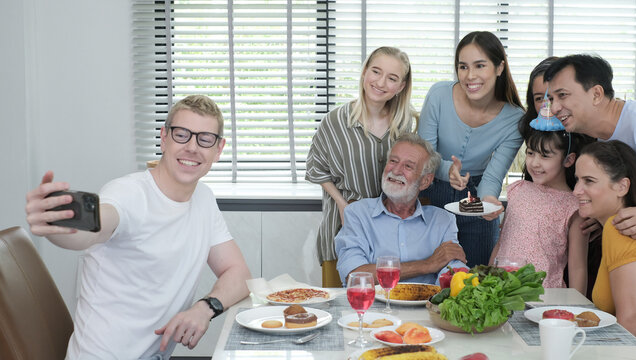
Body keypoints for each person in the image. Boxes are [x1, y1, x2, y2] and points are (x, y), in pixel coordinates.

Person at [25, 95, 252, 359]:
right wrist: (59, 224)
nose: (192, 147)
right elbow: (96, 226)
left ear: (219, 149)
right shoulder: (128, 193)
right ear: (164, 138)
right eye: (181, 135)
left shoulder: (203, 198)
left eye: (204, 139)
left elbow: (239, 274)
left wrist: (205, 307)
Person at [306, 46, 417, 287]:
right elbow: (316, 169)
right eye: (375, 71)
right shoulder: (334, 121)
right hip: (343, 226)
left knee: (387, 311)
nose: (380, 82)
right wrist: (342, 205)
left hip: (390, 233)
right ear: (364, 72)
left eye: (392, 78)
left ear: (401, 86)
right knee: (340, 308)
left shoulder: (407, 124)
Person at [417, 31, 524, 267]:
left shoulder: (515, 119)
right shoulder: (439, 95)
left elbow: (493, 175)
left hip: (476, 198)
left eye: (479, 66)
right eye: (463, 67)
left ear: (499, 68)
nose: (470, 75)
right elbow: (424, 155)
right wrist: (446, 171)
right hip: (430, 191)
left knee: (476, 280)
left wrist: (487, 201)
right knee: (429, 279)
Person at [489, 57, 590, 293]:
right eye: (531, 153)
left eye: (545, 156)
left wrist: (576, 309)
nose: (534, 163)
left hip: (545, 294)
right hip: (501, 291)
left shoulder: (574, 207)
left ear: (568, 160)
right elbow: (501, 243)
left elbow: (577, 268)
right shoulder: (518, 190)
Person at [334, 133, 467, 285]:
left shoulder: (444, 221)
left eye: (408, 166)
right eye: (393, 161)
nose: (396, 170)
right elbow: (354, 275)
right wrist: (426, 265)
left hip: (426, 307)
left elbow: (454, 271)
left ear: (425, 181)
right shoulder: (357, 213)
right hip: (374, 307)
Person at [545, 54, 636, 240]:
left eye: (562, 95)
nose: (554, 108)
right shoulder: (599, 141)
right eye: (551, 99)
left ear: (596, 94)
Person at [573, 140, 636, 337]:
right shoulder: (609, 229)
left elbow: (632, 322)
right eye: (577, 180)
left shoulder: (618, 229)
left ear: (621, 187)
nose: (576, 190)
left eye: (589, 181)